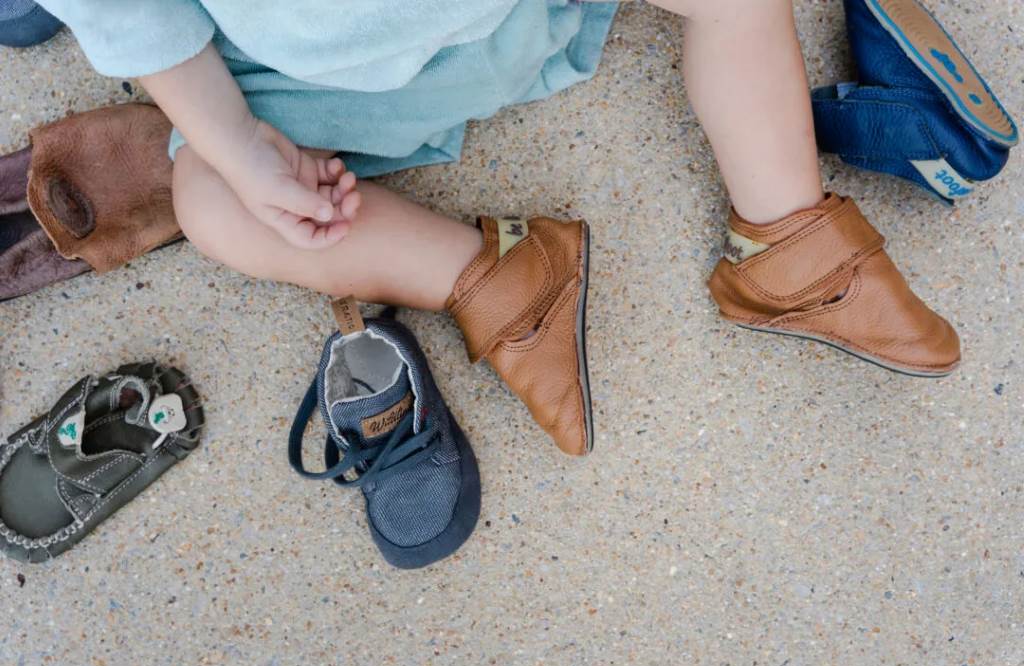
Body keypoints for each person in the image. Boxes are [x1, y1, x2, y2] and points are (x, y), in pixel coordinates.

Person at [34, 0, 966, 454]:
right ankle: (501, 275)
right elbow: (138, 17)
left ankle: (786, 240)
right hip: (317, 79)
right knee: (209, 202)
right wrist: (233, 141)